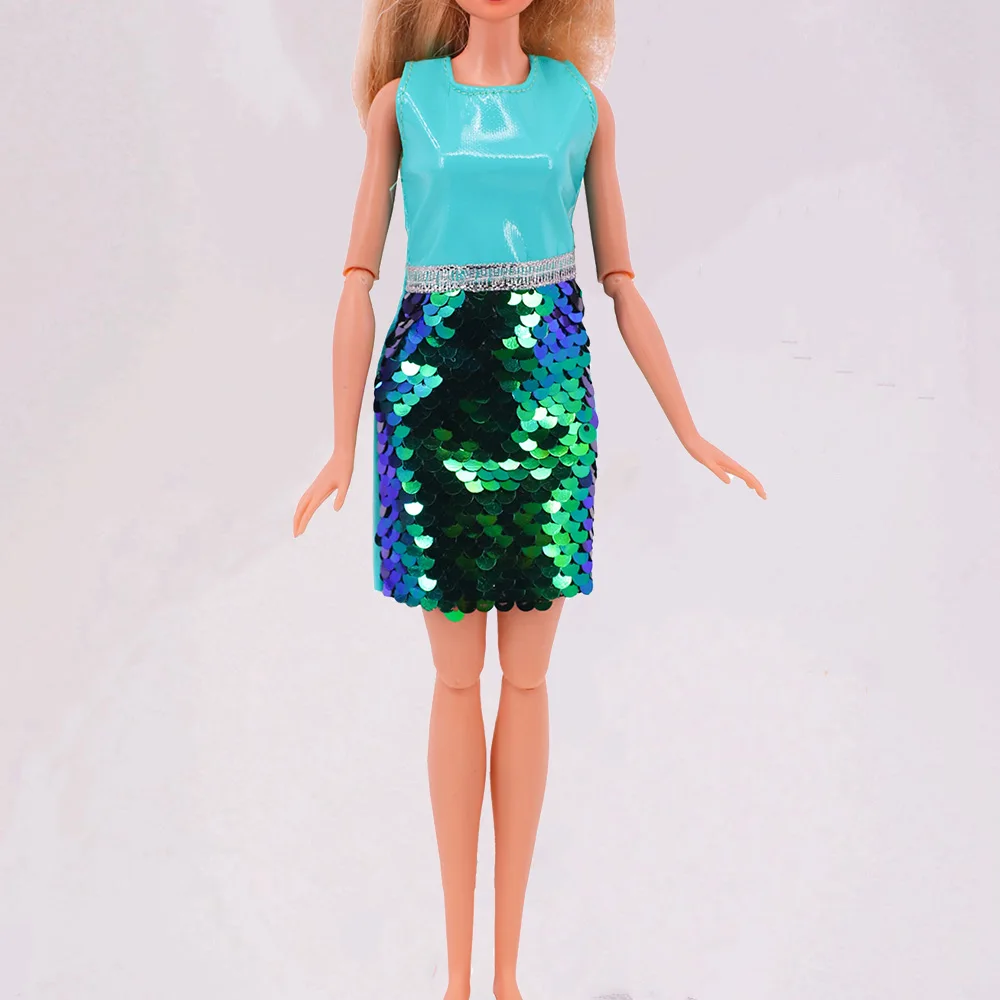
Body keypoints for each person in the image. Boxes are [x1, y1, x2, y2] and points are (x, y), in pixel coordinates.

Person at [294, 2, 766, 998]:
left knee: (528, 680)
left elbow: (622, 283)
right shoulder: (403, 104)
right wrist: (338, 446)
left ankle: (507, 971)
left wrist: (687, 427)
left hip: (548, 404)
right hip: (430, 403)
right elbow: (355, 279)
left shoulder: (580, 106)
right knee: (454, 681)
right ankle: (458, 975)